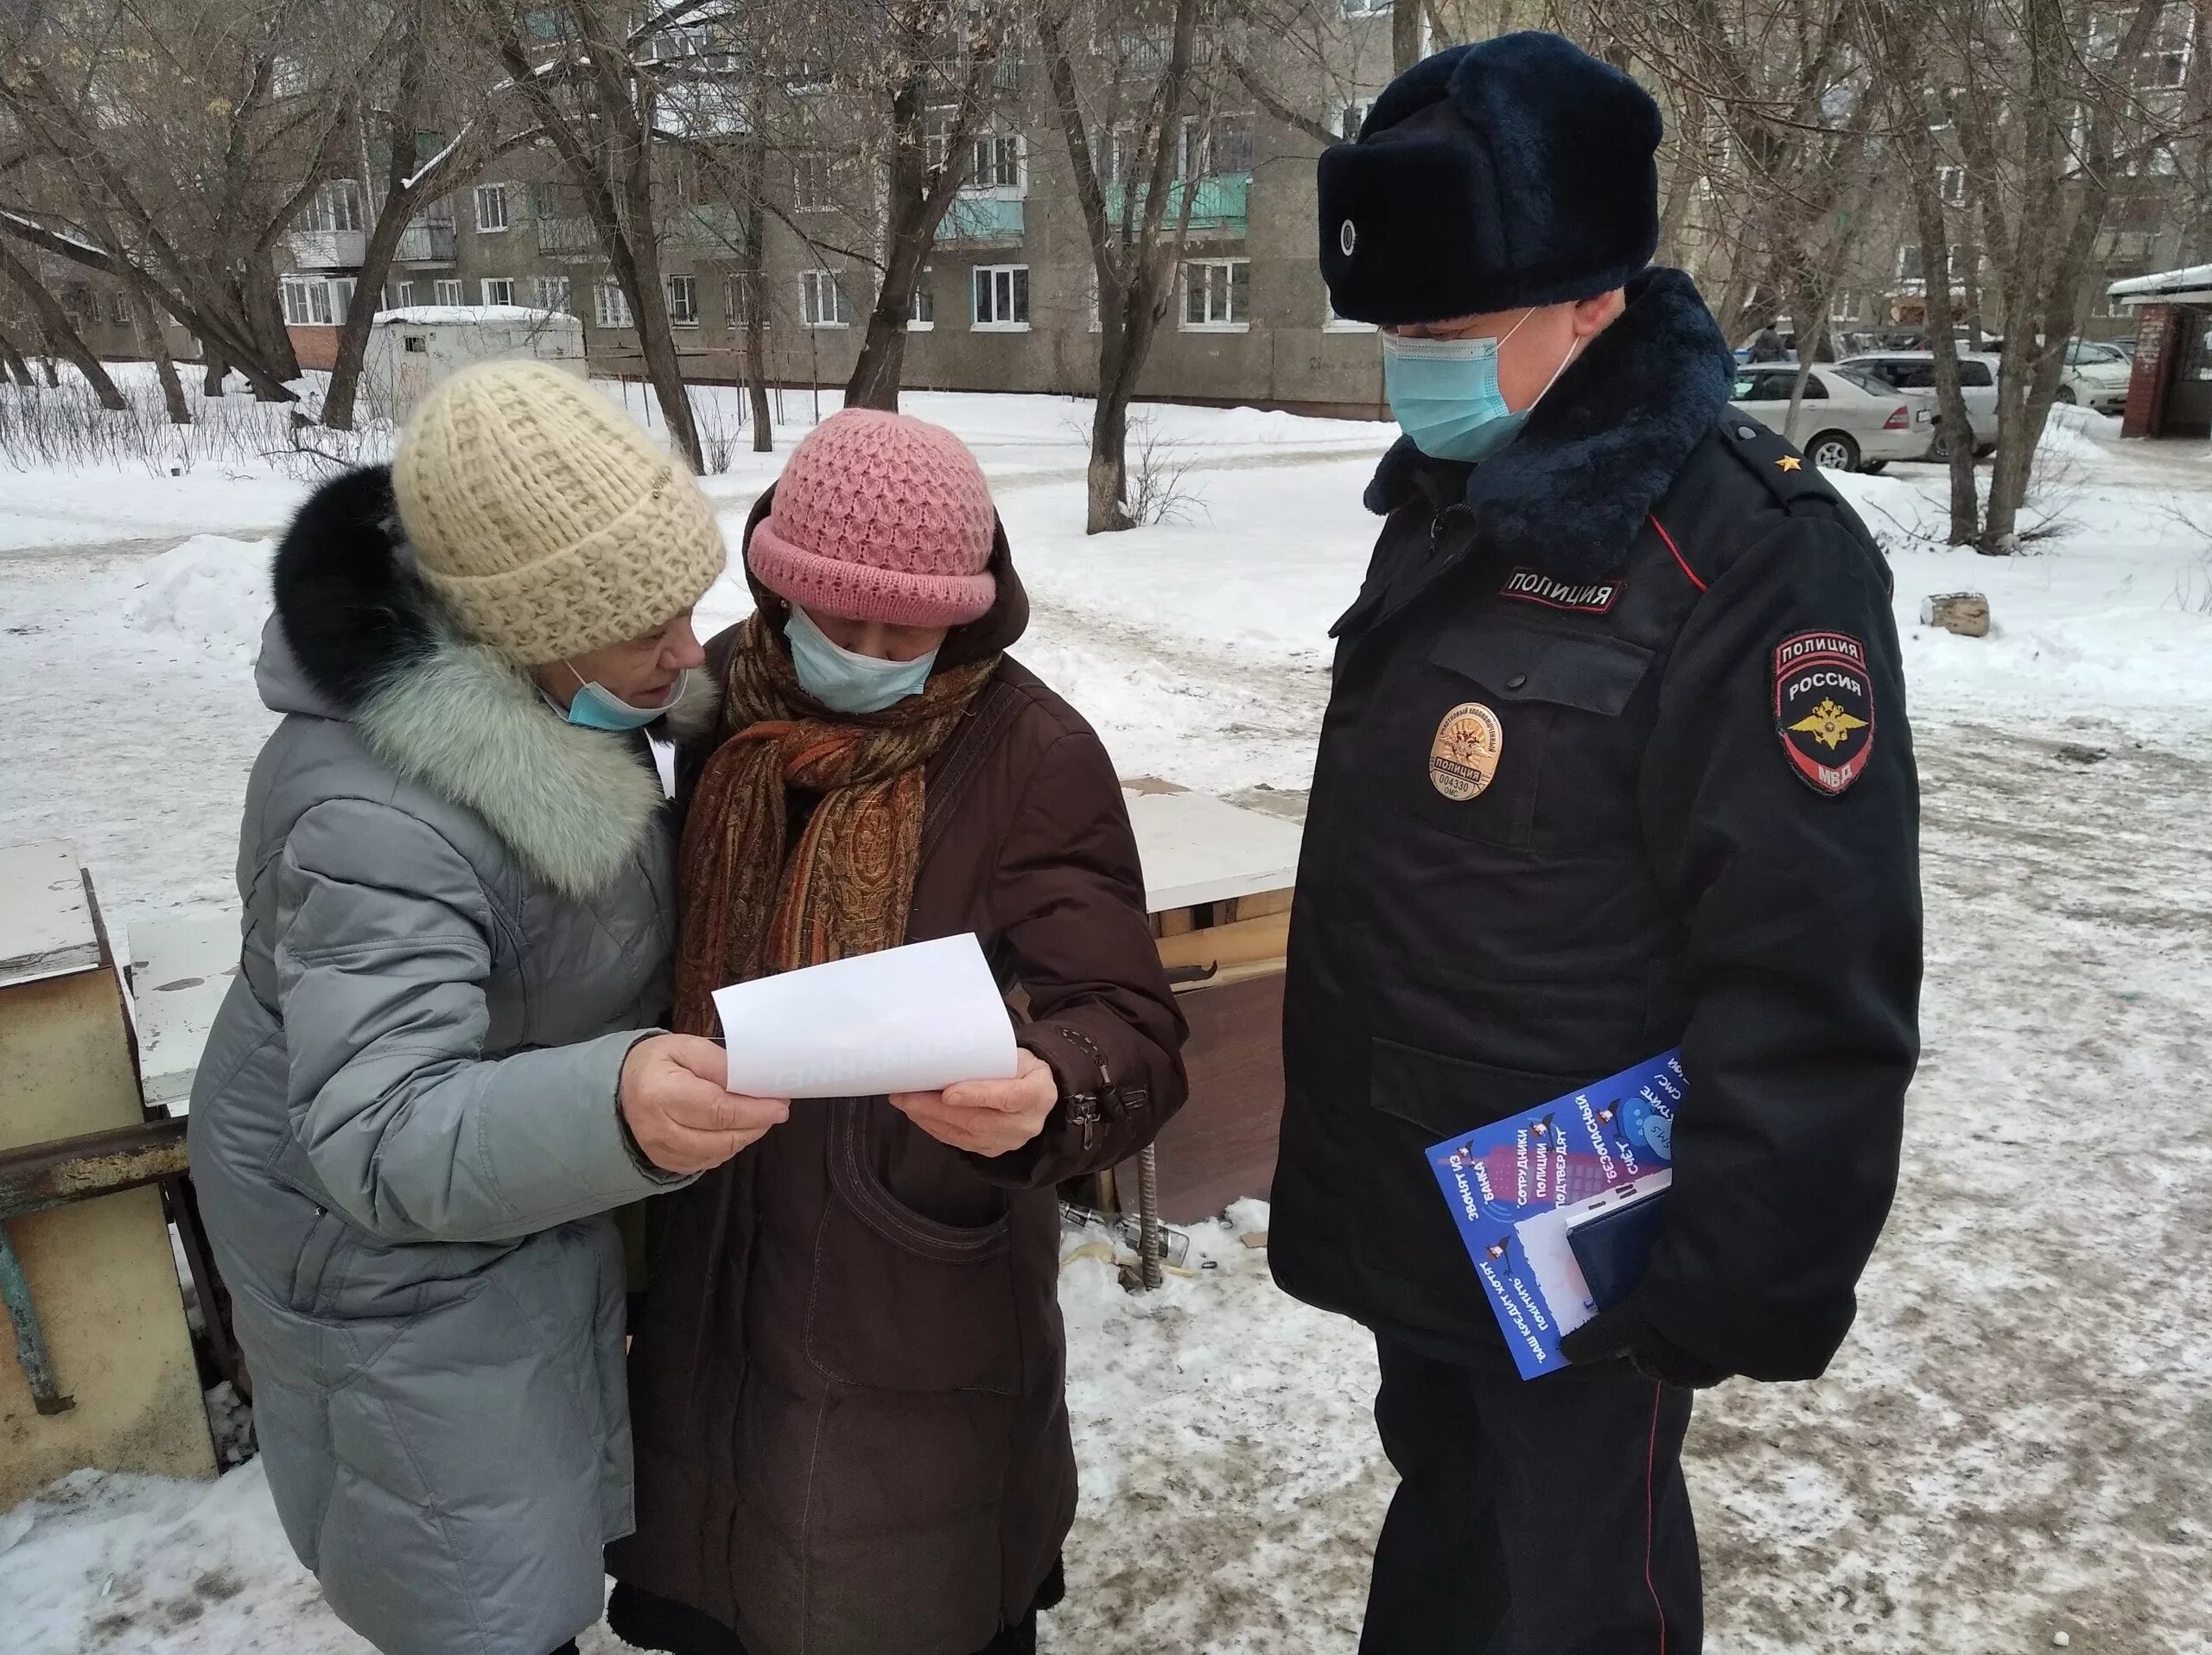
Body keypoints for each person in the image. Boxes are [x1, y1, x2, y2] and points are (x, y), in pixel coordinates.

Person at [1273, 34, 1922, 1654]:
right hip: (1435, 1207)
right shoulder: (1453, 499)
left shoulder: (1750, 563)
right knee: (1447, 1557)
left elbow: (1811, 960)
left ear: (1593, 297)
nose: (1409, 362)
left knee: (1576, 1607)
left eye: (1446, 325)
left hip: (1593, 1263)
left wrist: (1722, 1273)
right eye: (1392, 328)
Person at [188, 361, 791, 1655]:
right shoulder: (370, 813)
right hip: (390, 1265)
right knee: (487, 1606)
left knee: (538, 1553)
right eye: (648, 627)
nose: (689, 651)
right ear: (518, 627)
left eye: (689, 607)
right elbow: (382, 1135)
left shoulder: (560, 689)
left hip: (509, 1209)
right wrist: (614, 1098)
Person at [605, 408, 1189, 1655]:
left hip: (912, 1303)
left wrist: (1050, 1084)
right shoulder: (711, 705)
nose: (872, 651)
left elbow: (1133, 1027)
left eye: (909, 626)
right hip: (712, 1280)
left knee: (906, 1610)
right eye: (837, 620)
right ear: (776, 591)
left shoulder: (1029, 752)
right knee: (725, 1600)